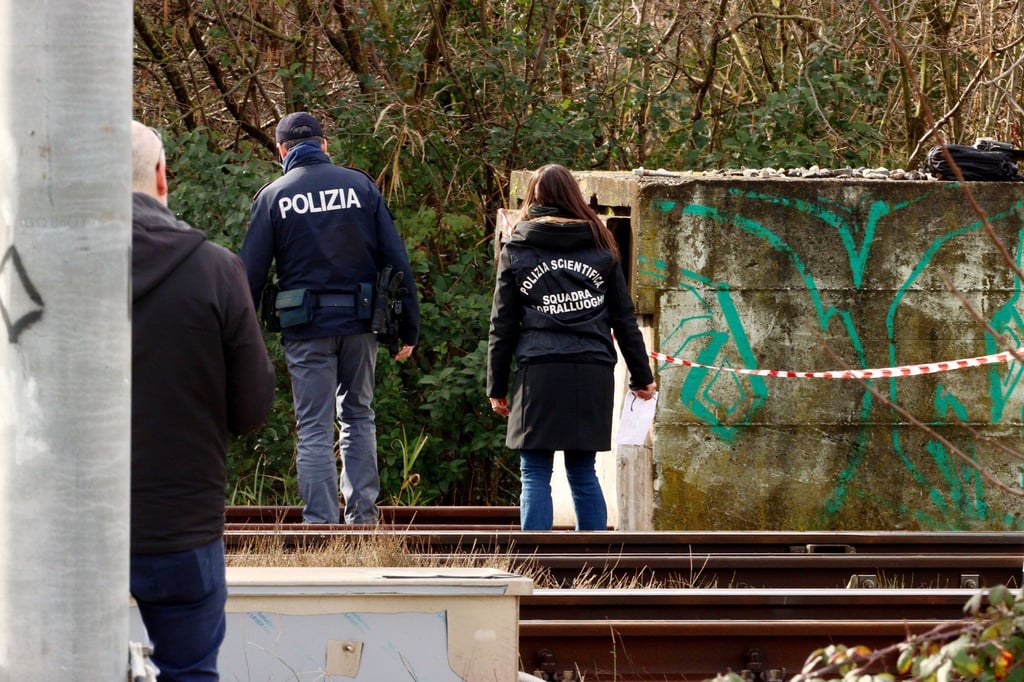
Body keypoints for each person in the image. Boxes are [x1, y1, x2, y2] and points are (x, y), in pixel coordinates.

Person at [129, 120, 276, 680]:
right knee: (189, 671)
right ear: (162, 176)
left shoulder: (41, 272)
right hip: (180, 527)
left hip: (68, 528)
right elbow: (251, 408)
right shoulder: (216, 270)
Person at [240, 111, 420, 525]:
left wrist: (239, 340)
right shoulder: (362, 186)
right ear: (324, 145)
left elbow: (248, 275)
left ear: (281, 151)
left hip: (305, 330)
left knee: (314, 426)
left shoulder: (274, 196)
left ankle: (320, 523)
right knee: (359, 416)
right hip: (360, 324)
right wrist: (408, 325)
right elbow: (396, 258)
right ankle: (363, 520)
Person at [487, 163, 657, 531]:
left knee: (534, 472)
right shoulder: (602, 246)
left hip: (539, 371)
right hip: (591, 370)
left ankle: (535, 563)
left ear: (534, 197)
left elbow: (502, 325)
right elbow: (623, 319)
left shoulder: (516, 248)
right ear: (574, 197)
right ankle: (593, 566)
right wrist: (642, 378)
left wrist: (496, 387)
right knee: (583, 472)